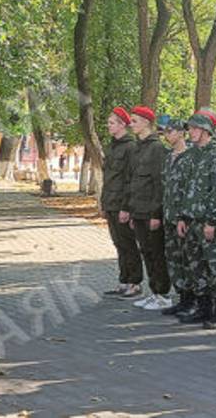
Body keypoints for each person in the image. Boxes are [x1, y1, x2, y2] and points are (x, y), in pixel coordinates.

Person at [176, 112, 216, 328]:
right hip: (191, 220)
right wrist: (181, 216)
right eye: (190, 128)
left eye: (195, 128)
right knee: (196, 266)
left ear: (206, 130)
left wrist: (212, 221)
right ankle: (204, 307)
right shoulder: (192, 155)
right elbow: (184, 188)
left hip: (208, 221)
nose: (191, 132)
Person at [123, 106, 171, 310]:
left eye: (134, 121)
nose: (130, 124)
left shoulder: (157, 148)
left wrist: (156, 213)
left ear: (145, 122)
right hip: (139, 210)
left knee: (156, 253)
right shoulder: (138, 147)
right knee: (146, 253)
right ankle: (154, 292)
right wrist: (132, 211)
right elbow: (133, 181)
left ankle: (163, 294)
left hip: (151, 212)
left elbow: (160, 184)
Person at [101, 107, 143, 299]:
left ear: (121, 125)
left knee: (128, 244)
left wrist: (127, 207)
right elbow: (109, 177)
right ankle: (124, 280)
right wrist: (103, 202)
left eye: (111, 123)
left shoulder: (130, 147)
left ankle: (135, 283)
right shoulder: (112, 146)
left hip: (121, 204)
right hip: (110, 202)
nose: (108, 126)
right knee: (119, 243)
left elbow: (130, 179)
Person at [158, 118, 196, 316]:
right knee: (173, 259)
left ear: (181, 133)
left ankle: (192, 299)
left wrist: (185, 215)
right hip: (169, 215)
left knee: (187, 258)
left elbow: (191, 188)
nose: (166, 135)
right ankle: (182, 296)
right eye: (165, 132)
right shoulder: (168, 156)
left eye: (170, 131)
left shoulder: (190, 156)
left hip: (184, 217)